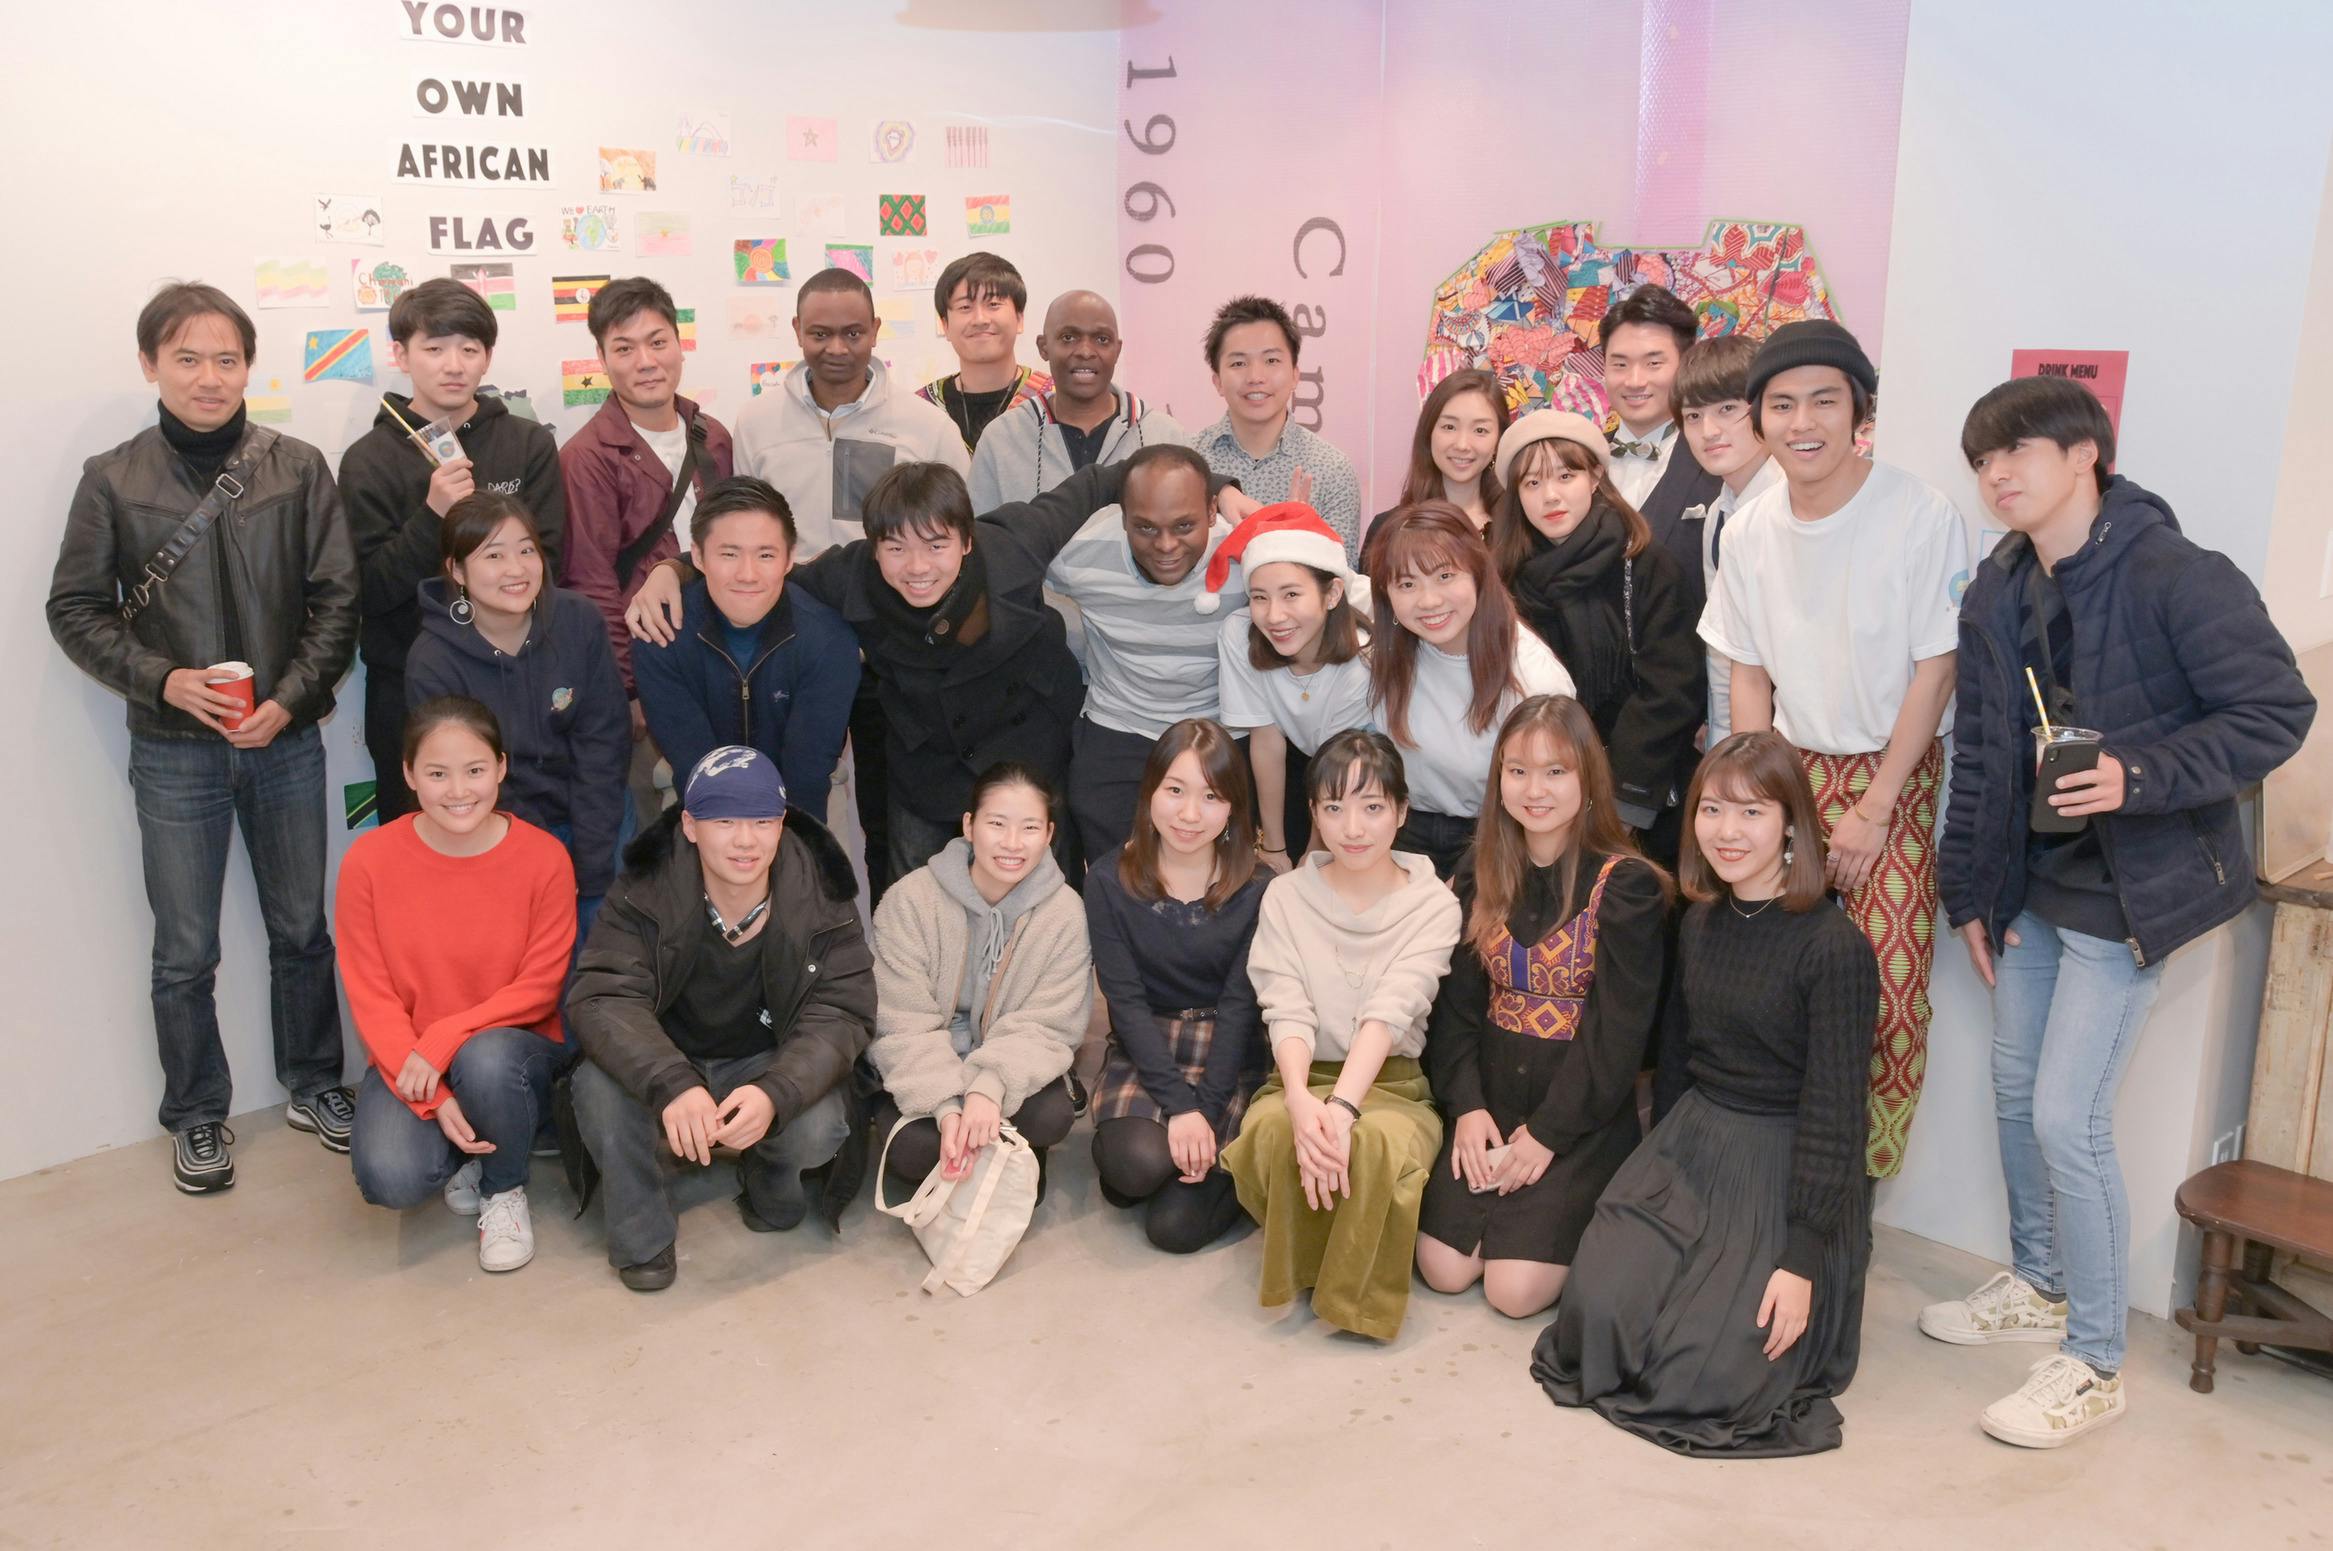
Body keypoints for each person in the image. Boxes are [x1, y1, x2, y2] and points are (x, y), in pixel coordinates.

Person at [1923, 377, 2315, 1448]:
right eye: (1982, 459)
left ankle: (2095, 1360)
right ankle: (2038, 1282)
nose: (1996, 474)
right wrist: (1969, 889)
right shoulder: (1997, 585)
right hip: (2030, 886)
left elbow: (2276, 711)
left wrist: (2137, 774)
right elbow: (1983, 754)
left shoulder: (2173, 573)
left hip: (2129, 890)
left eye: (2017, 451)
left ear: (2083, 454)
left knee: (2066, 1116)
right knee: (2014, 1095)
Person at [48, 281, 360, 1193]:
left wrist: (291, 701)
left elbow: (337, 599)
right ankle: (195, 1112)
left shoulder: (297, 466)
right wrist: (165, 681)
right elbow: (74, 608)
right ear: (150, 364)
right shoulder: (112, 477)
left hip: (284, 741)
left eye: (226, 358)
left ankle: (313, 1081)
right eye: (187, 358)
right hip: (172, 748)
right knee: (184, 949)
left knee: (301, 927)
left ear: (249, 367)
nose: (209, 377)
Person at [630, 456, 1242, 880]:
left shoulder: (1015, 542)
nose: (917, 567)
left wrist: (1220, 486)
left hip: (1031, 744)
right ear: (874, 547)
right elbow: (760, 567)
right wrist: (671, 570)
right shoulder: (849, 576)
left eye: (936, 545)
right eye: (895, 547)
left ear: (967, 541)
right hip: (925, 760)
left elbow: (1105, 478)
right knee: (912, 902)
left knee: (1050, 898)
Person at [1535, 730, 1879, 1457]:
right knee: (1597, 1320)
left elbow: (1836, 1114)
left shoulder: (1834, 947)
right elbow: (1678, 1062)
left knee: (1700, 1377)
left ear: (1791, 824)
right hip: (1694, 1143)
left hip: (1785, 1165)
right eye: (1711, 809)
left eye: (1752, 812)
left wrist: (1801, 1261)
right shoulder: (1698, 921)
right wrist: (1657, 1180)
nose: (1727, 831)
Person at [1699, 318, 1968, 1178]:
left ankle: (1858, 1181)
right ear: (1759, 419)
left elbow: (1936, 669)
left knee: (1889, 987)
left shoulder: (1920, 514)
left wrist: (1876, 806)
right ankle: (1772, 1165)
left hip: (1894, 771)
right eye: (1781, 404)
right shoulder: (1748, 528)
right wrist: (1752, 797)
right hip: (1786, 768)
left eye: (1823, 400)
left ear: (1860, 412)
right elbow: (1747, 672)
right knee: (1770, 974)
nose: (1802, 421)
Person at [568, 746, 874, 1292]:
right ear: (689, 825)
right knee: (596, 1088)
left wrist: (775, 1092)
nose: (745, 840)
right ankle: (644, 1231)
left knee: (821, 1121)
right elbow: (603, 996)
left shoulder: (822, 892)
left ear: (781, 825)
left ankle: (766, 1172)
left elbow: (843, 1009)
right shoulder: (645, 886)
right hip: (668, 1056)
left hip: (763, 1059)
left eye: (762, 821)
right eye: (724, 821)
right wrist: (671, 1080)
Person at [1415, 695, 1671, 1319]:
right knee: (1444, 1269)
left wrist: (1548, 1136)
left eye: (1556, 771)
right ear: (1499, 779)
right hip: (1491, 1100)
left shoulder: (1626, 885)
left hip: (1578, 1116)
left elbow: (1617, 1037)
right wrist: (1467, 1107)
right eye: (1518, 770)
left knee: (1513, 1292)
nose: (1535, 789)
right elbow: (1456, 1012)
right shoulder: (1478, 873)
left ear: (1588, 780)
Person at [730, 266, 966, 896]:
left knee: (892, 815)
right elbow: (743, 532)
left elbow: (960, 537)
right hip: (790, 646)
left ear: (876, 330)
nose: (837, 348)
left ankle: (899, 940)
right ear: (796, 331)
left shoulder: (926, 427)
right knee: (791, 802)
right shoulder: (756, 423)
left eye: (853, 333)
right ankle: (794, 929)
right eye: (820, 334)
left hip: (894, 651)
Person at [1222, 729, 1461, 1340]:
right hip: (1302, 1075)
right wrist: (1301, 1099)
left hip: (1392, 1085)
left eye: (1372, 806)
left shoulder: (1435, 904)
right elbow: (1285, 1005)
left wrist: (1344, 1108)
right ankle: (1312, 1264)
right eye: (1334, 807)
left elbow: (1392, 1010)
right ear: (1314, 814)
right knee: (1276, 1130)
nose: (1352, 827)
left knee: (1373, 1141)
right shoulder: (1285, 895)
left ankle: (1353, 1298)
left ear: (1402, 811)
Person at [340, 697, 576, 1272]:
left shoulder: (545, 857)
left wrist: (448, 1035)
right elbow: (371, 995)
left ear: (501, 767)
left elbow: (540, 987)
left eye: (474, 770)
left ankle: (503, 1187)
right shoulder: (367, 861)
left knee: (486, 1058)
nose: (458, 791)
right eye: (437, 774)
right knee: (391, 1176)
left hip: (511, 1054)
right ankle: (469, 1140)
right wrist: (435, 1096)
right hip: (413, 1061)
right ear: (408, 775)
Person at [340, 277, 566, 821]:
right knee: (420, 846)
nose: (454, 365)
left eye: (469, 349)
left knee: (525, 840)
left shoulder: (528, 444)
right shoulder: (368, 460)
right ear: (401, 355)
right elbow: (369, 591)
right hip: (409, 687)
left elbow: (550, 561)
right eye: (435, 348)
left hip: (517, 676)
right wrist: (432, 516)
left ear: (487, 357)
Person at [405, 492, 629, 931]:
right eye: (494, 555)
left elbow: (603, 744)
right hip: (499, 825)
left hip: (593, 812)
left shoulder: (579, 621)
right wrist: (545, 859)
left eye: (527, 550)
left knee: (604, 948)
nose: (516, 569)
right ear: (457, 570)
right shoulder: (434, 661)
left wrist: (590, 860)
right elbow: (466, 780)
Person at [867, 763, 1091, 1201]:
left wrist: (988, 1089)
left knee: (1050, 1116)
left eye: (1030, 827)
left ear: (1049, 834)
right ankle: (989, 1150)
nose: (1012, 843)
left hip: (1008, 1062)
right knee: (914, 1151)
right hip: (930, 1062)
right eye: (997, 824)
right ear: (969, 826)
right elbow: (899, 1021)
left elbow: (1049, 1023)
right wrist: (948, 1106)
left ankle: (1012, 1150)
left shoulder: (1064, 912)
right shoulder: (911, 900)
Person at [1489, 410, 1702, 866]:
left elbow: (1671, 689)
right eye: (1532, 483)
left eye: (1565, 476)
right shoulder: (1503, 577)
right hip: (1535, 798)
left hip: (1635, 800)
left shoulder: (1644, 563)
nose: (1550, 496)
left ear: (1596, 476)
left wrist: (1617, 804)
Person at [559, 276, 734, 828]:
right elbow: (589, 581)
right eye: (624, 348)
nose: (645, 362)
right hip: (647, 672)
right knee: (656, 834)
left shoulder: (713, 436)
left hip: (724, 663)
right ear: (602, 359)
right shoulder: (588, 456)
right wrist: (629, 690)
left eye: (658, 342)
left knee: (727, 820)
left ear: (679, 344)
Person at [1088, 720, 1268, 1253]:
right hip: (1149, 1042)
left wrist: (1204, 1112)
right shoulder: (1108, 880)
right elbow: (1125, 1004)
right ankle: (1167, 1164)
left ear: (1233, 806)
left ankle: (1227, 1174)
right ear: (1150, 792)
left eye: (1211, 796)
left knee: (1174, 1230)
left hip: (1229, 1050)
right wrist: (1179, 1109)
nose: (1190, 814)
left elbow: (1239, 1008)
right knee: (1134, 1167)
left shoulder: (1258, 888)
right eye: (1175, 790)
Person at [1363, 502, 1574, 877]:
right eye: (1407, 584)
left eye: (1445, 576)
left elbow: (1551, 800)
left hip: (1499, 834)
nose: (1429, 600)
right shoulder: (1385, 654)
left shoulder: (1534, 678)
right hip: (1401, 827)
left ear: (1478, 572)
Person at [630, 477, 860, 819]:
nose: (747, 574)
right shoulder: (662, 634)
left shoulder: (827, 638)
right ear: (698, 556)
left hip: (803, 805)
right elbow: (695, 764)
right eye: (729, 554)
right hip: (699, 802)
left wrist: (790, 850)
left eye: (765, 555)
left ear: (789, 559)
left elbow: (807, 774)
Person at [1205, 502, 1373, 869]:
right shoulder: (1239, 634)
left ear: (1332, 594)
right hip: (1290, 757)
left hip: (1353, 770)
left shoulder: (1361, 661)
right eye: (1259, 597)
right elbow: (1265, 738)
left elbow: (1336, 763)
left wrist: (1314, 853)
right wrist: (1273, 848)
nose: (1274, 615)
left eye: (1291, 595)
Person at [967, 289, 1187, 510]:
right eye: (1068, 338)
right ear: (1044, 347)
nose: (1085, 352)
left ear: (1117, 350)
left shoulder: (1165, 436)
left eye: (1102, 339)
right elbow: (980, 529)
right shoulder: (1002, 439)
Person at [1194, 295, 1363, 561]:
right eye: (1238, 363)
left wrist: (1299, 542)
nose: (1255, 377)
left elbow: (1343, 576)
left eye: (1271, 360)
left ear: (1295, 375)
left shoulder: (1331, 470)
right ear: (1217, 381)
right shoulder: (1190, 461)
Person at [1672, 334, 1779, 743]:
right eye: (1693, 416)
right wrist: (1721, 737)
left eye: (1728, 409)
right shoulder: (1719, 513)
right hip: (1740, 738)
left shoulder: (1790, 508)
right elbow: (1723, 650)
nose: (1709, 430)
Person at [1598, 285, 1721, 620]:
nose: (1635, 381)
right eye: (1620, 364)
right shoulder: (1578, 461)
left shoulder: (1719, 462)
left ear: (1685, 365)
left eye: (1653, 363)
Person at [918, 253, 1053, 455]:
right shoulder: (922, 409)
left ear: (1019, 318)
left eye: (993, 304)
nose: (980, 319)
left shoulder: (1054, 399)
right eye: (965, 307)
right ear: (945, 325)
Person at [1372, 367, 1510, 540]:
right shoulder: (1388, 529)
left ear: (1500, 440)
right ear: (1429, 432)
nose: (1462, 445)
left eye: (1480, 430)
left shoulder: (1517, 532)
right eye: (1449, 427)